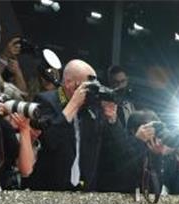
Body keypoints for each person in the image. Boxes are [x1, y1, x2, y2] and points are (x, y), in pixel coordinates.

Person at [28, 59, 125, 191]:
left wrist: (113, 119)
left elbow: (118, 150)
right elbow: (50, 140)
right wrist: (72, 105)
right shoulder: (45, 101)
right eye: (87, 86)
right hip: (50, 191)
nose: (91, 92)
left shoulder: (93, 109)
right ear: (69, 83)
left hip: (86, 192)